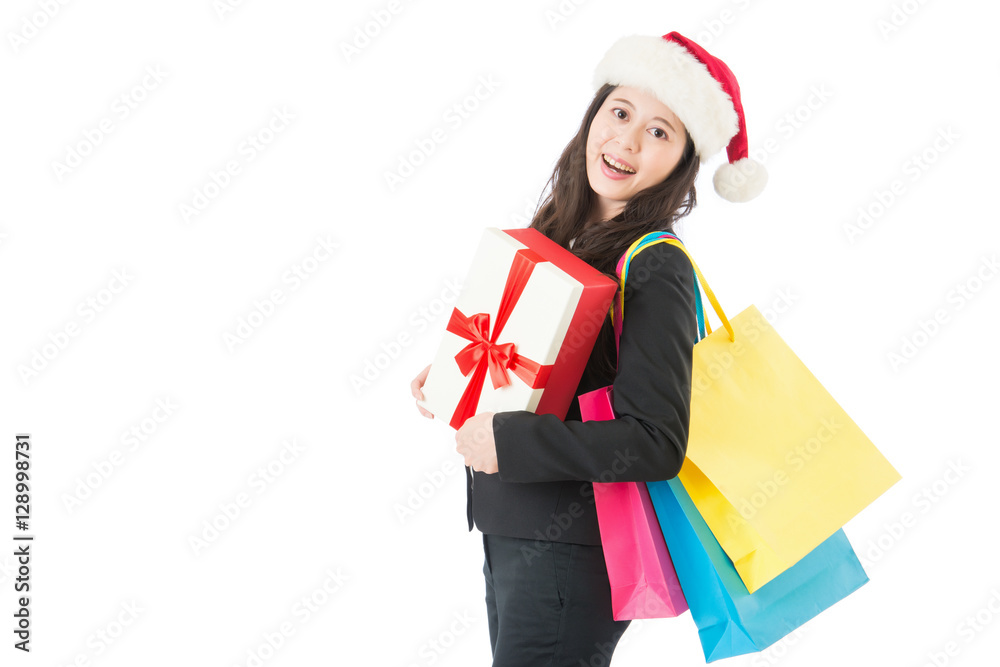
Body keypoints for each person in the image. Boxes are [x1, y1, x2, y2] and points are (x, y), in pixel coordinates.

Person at [410, 32, 765, 666]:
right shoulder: (563, 231)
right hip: (513, 523)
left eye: (661, 132)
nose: (628, 141)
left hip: (573, 546)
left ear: (683, 160)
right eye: (621, 113)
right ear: (594, 116)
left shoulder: (656, 265)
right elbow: (546, 371)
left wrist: (509, 441)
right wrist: (454, 377)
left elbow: (656, 441)